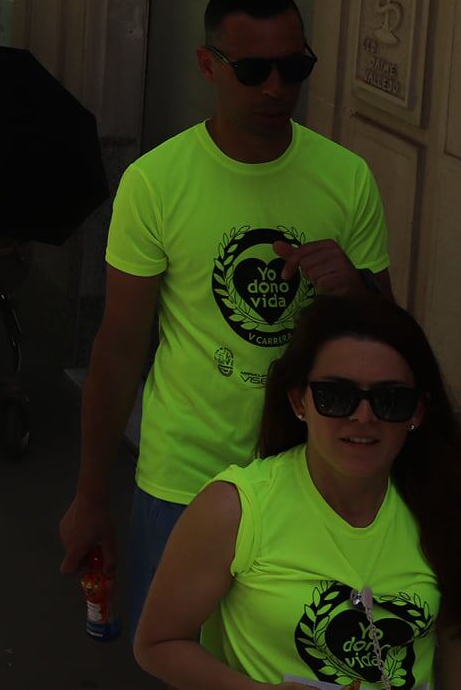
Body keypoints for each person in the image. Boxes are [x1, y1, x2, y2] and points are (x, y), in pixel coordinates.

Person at [59, 0, 393, 632]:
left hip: (313, 477)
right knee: (177, 658)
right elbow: (121, 345)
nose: (277, 87)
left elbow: (388, 344)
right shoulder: (156, 182)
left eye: (294, 66)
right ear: (208, 65)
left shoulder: (346, 178)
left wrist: (354, 287)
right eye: (254, 69)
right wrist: (92, 494)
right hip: (185, 480)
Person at [135, 293, 456, 687]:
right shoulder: (234, 509)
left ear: (418, 412)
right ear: (298, 400)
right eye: (336, 396)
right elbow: (158, 642)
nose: (363, 416)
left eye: (390, 400)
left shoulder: (443, 506)